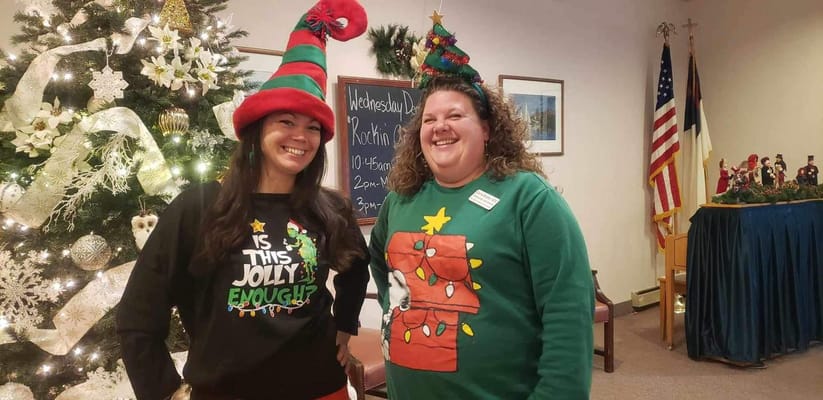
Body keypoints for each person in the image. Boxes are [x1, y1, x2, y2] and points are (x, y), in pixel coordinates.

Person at [116, 1, 370, 399]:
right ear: (257, 129)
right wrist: (164, 391)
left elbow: (356, 267)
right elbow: (137, 316)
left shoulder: (329, 208)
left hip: (322, 387)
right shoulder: (198, 207)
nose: (300, 136)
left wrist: (346, 323)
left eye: (312, 127)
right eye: (286, 122)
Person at [368, 14, 594, 400]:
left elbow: (568, 316)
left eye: (455, 115)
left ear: (487, 129)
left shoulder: (529, 199)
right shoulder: (400, 200)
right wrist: (401, 315)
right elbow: (379, 262)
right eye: (429, 119)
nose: (440, 127)